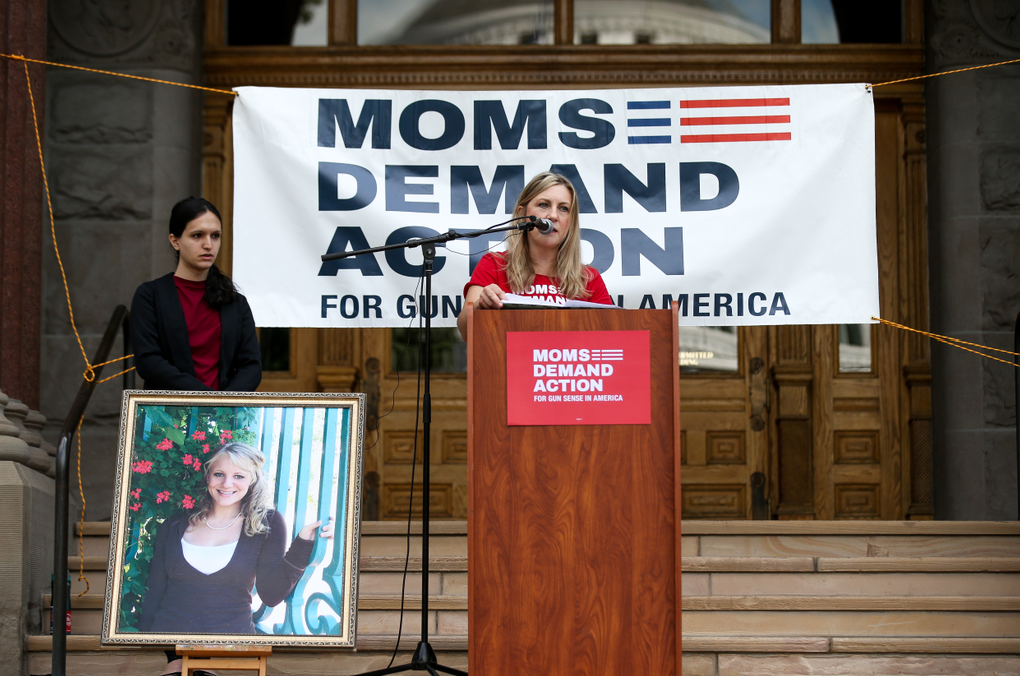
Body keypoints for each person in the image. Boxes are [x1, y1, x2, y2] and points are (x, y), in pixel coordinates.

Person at [138, 442, 333, 636]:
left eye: (238, 476)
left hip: (231, 648)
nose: (227, 484)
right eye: (219, 474)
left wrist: (304, 543)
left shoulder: (267, 524)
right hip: (170, 644)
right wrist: (145, 648)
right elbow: (154, 594)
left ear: (252, 481)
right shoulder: (173, 525)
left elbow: (271, 595)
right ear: (208, 476)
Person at [457, 172, 613, 339]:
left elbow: (613, 336)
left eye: (563, 208)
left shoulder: (588, 278)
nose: (553, 216)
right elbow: (466, 332)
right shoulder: (494, 264)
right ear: (522, 214)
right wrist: (481, 305)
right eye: (544, 205)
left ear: (571, 222)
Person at [130, 196, 262, 392]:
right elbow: (148, 362)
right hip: (168, 415)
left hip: (224, 417)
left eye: (215, 235)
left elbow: (251, 366)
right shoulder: (150, 296)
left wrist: (223, 404)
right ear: (175, 241)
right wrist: (203, 398)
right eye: (197, 235)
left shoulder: (235, 301)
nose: (208, 244)